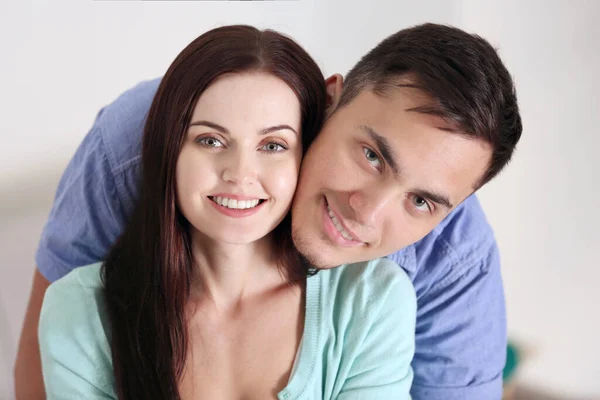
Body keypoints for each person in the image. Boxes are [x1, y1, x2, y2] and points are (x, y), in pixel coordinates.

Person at [15, 22, 522, 400]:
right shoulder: (135, 143)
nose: (366, 212)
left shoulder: (439, 266)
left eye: (420, 201)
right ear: (331, 100)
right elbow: (46, 359)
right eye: (370, 155)